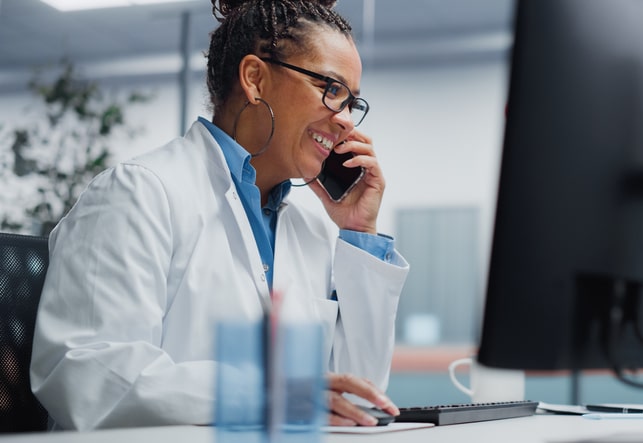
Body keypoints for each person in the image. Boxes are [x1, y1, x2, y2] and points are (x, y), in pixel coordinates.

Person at [29, 0, 409, 431]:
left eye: (351, 103)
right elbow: (89, 376)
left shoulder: (313, 231)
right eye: (332, 89)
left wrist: (360, 232)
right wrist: (265, 395)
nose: (345, 122)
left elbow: (357, 397)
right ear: (255, 79)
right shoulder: (138, 193)